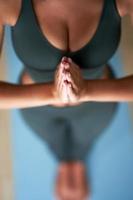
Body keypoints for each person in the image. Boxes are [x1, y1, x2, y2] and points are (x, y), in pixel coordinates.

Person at [0, 0, 133, 199]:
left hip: (95, 104)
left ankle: (72, 162)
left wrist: (87, 90)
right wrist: (54, 92)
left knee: (82, 142)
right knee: (59, 141)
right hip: (39, 105)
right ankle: (69, 162)